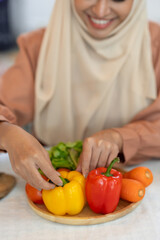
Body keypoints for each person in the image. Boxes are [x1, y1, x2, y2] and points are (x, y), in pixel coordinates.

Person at [0, 0, 160, 190]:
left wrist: (120, 138)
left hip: (135, 186)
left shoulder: (155, 45)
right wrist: (6, 132)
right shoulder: (38, 46)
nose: (101, 10)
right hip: (52, 186)